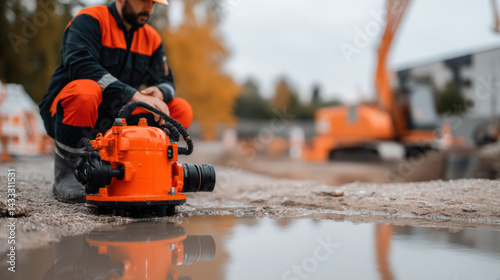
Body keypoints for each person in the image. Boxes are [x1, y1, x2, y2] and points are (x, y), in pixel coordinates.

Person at [39, 0, 193, 203]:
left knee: (179, 110)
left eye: (153, 3)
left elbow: (167, 81)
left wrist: (161, 93)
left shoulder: (152, 38)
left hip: (115, 121)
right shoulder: (90, 20)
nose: (148, 8)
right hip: (69, 112)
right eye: (143, 1)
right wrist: (133, 94)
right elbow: (80, 65)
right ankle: (68, 175)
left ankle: (147, 171)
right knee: (86, 91)